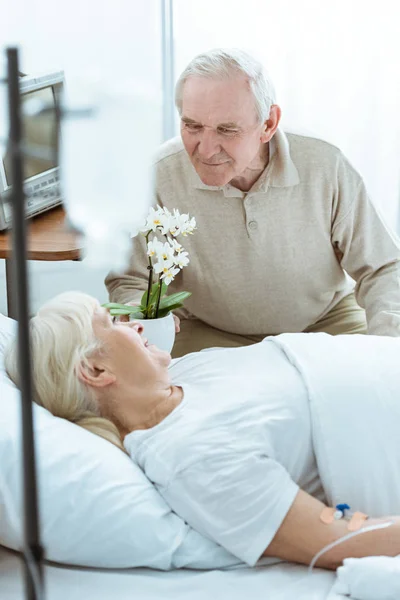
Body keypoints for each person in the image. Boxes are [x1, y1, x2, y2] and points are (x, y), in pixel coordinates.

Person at [5, 291, 400, 570]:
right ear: (96, 370)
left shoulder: (186, 372)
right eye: (113, 322)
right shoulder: (192, 458)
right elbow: (340, 540)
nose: (134, 324)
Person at [105, 48, 400, 358]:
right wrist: (145, 319)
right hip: (208, 330)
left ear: (268, 124)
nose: (205, 150)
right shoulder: (158, 175)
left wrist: (387, 353)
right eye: (192, 126)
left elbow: (384, 267)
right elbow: (131, 280)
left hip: (326, 321)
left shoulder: (325, 164)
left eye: (226, 130)